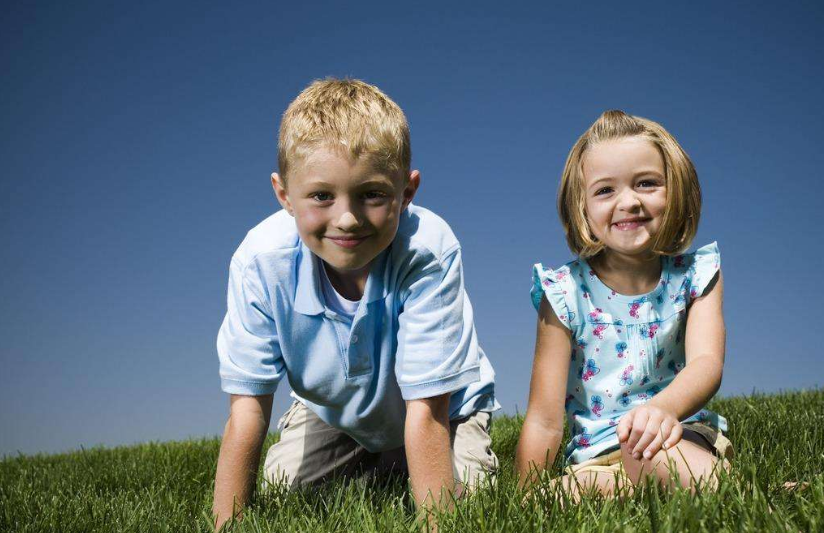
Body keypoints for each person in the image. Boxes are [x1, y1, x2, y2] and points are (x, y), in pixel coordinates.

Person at [212, 78, 498, 528]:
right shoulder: (260, 263)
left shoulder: (428, 251)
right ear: (284, 194)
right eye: (322, 196)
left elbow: (428, 411)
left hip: (444, 409)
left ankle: (400, 460)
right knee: (284, 494)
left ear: (407, 192)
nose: (347, 218)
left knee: (469, 501)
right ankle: (378, 456)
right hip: (336, 410)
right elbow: (247, 408)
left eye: (372, 194)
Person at [515, 110, 732, 498]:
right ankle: (633, 489)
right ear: (581, 207)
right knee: (553, 497)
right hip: (595, 457)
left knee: (651, 458)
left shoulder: (696, 276)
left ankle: (739, 494)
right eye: (605, 190)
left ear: (676, 189)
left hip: (677, 436)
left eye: (647, 183)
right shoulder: (563, 293)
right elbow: (545, 419)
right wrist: (524, 494)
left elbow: (707, 364)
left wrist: (663, 410)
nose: (628, 201)